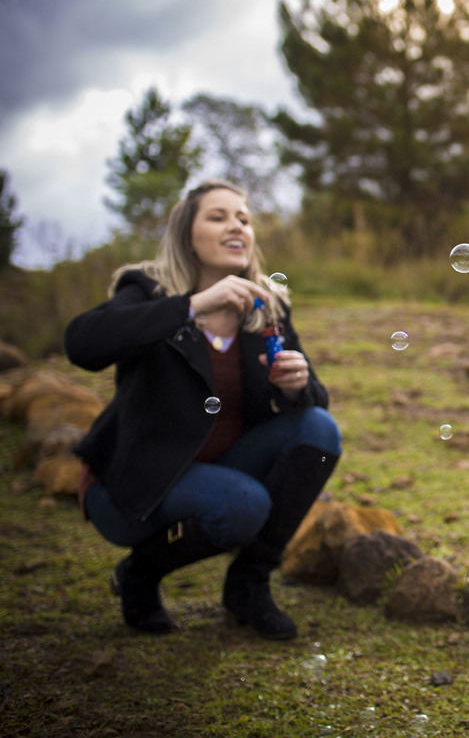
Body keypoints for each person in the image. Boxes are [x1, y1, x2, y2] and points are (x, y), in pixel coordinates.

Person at [65, 179, 341, 640]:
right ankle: (140, 574)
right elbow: (82, 343)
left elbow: (312, 398)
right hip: (135, 483)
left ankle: (248, 584)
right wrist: (190, 306)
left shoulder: (264, 307)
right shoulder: (149, 291)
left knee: (319, 429)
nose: (236, 225)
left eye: (244, 219)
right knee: (242, 504)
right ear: (185, 235)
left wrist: (297, 385)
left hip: (220, 470)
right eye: (218, 216)